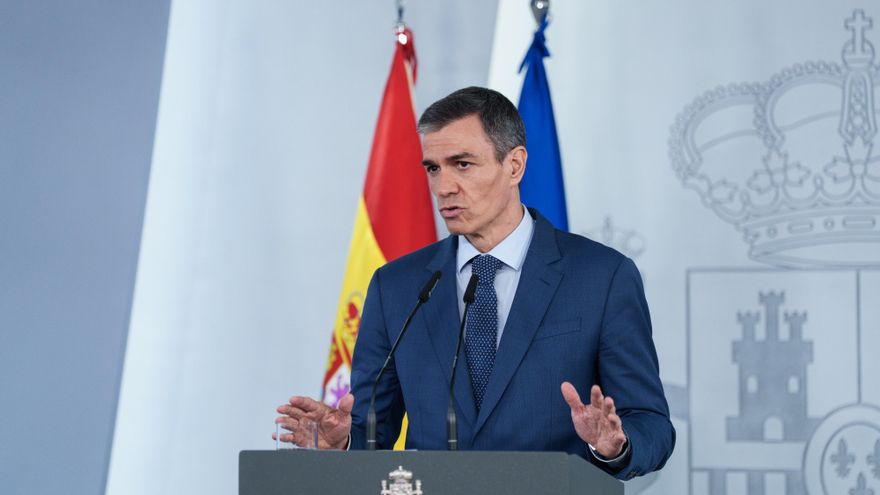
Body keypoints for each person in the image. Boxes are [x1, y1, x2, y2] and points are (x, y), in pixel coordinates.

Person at [275, 87, 675, 480]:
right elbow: (372, 430)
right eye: (433, 168)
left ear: (514, 165)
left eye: (462, 164)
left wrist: (614, 446)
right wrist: (343, 443)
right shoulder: (396, 286)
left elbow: (651, 424)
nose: (443, 186)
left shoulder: (601, 277)